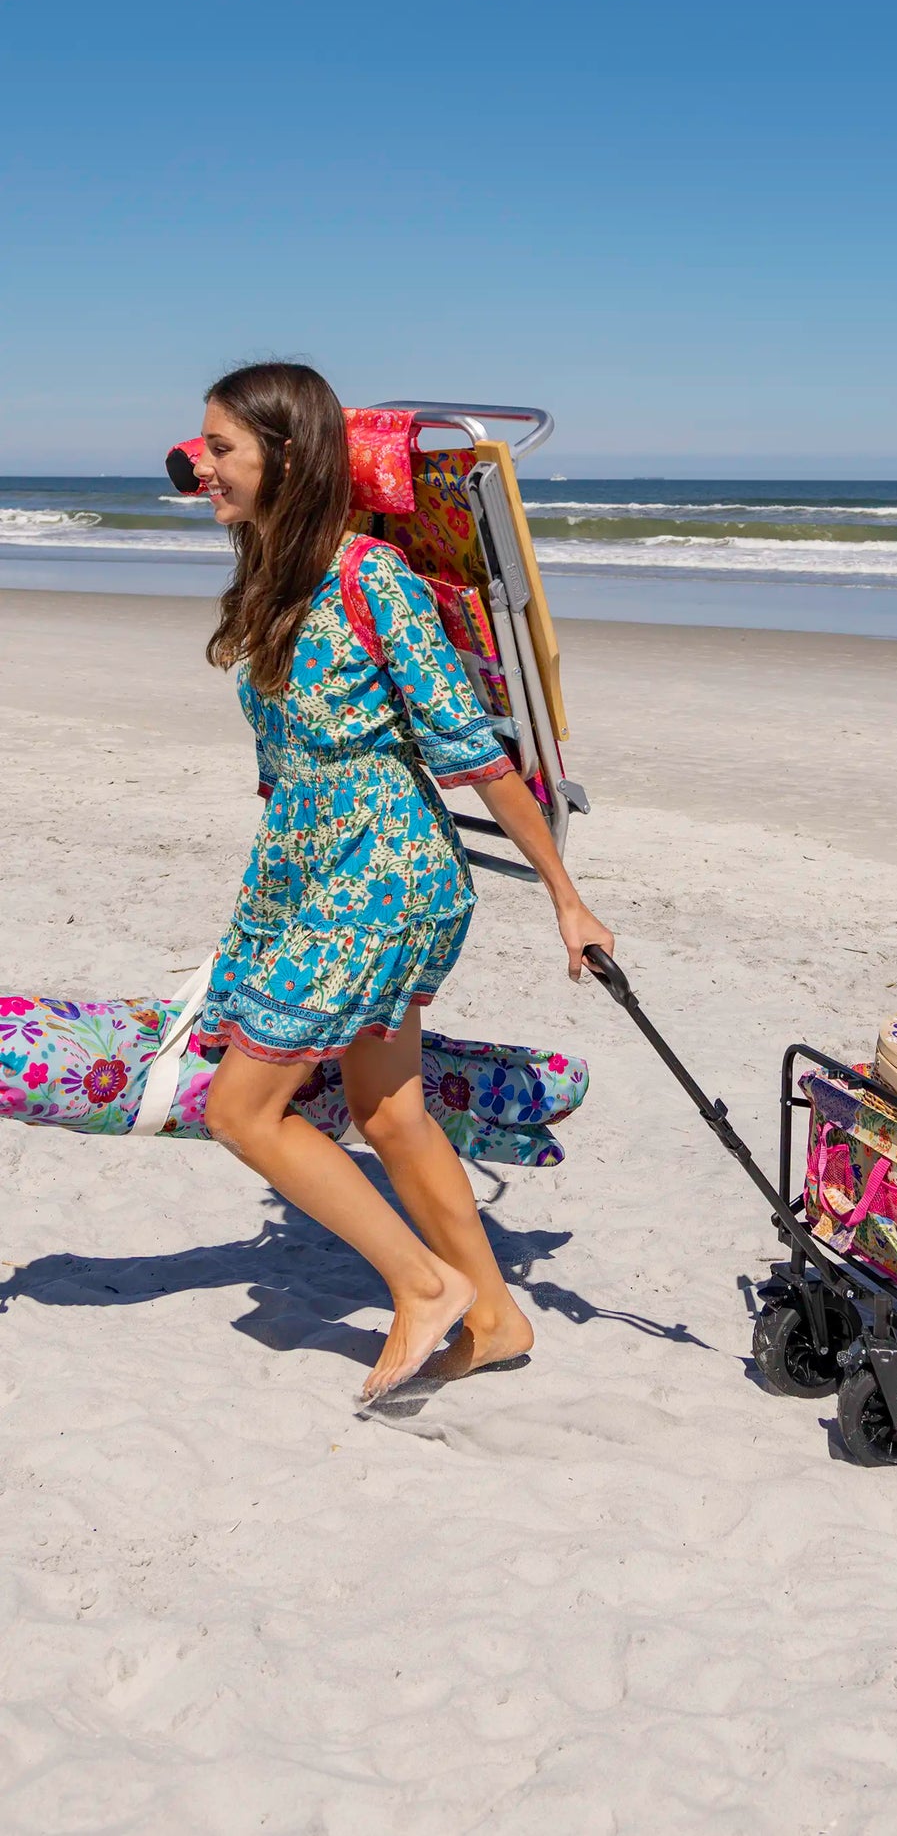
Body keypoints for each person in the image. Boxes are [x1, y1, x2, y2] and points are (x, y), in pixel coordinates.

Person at [191, 362, 613, 1401]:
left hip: (385, 873)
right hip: (313, 870)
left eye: (220, 449)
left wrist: (564, 891)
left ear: (285, 457)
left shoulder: (366, 578)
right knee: (389, 1115)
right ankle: (496, 1313)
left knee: (242, 1110)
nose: (199, 467)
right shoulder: (270, 575)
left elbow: (470, 750)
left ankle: (418, 1287)